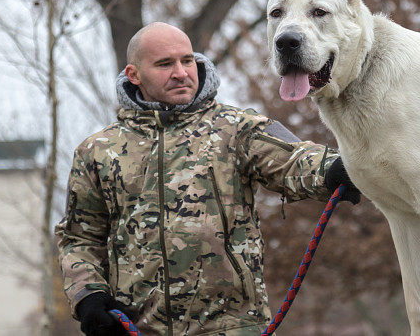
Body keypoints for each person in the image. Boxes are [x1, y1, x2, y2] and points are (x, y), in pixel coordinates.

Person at [55, 22, 360, 336]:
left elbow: (296, 160)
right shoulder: (98, 151)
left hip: (231, 327)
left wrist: (347, 168)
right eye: (164, 64)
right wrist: (88, 296)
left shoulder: (237, 129)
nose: (181, 72)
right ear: (134, 74)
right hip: (139, 328)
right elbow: (79, 238)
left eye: (187, 60)